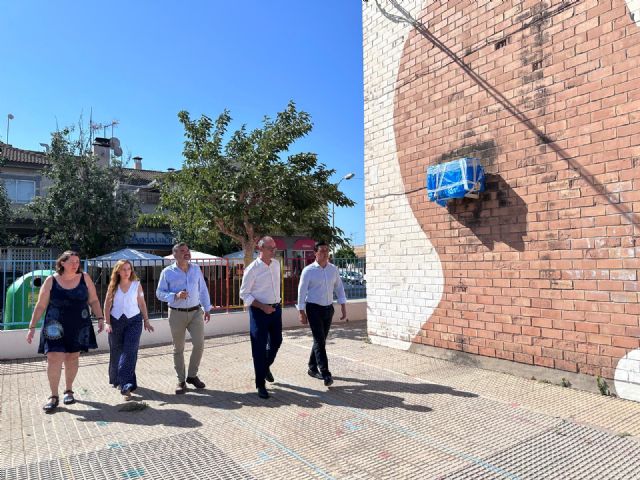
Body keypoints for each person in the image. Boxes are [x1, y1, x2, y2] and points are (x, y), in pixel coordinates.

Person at [25, 251, 105, 412]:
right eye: (72, 262)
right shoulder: (51, 281)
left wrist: (101, 317)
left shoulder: (85, 278)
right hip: (54, 326)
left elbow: (94, 300)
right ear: (62, 263)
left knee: (72, 357)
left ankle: (69, 390)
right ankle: (53, 396)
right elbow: (41, 305)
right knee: (54, 357)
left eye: (77, 262)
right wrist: (31, 327)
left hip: (78, 325)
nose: (76, 264)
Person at [156, 243, 212, 394]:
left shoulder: (196, 269)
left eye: (187, 250)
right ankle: (181, 381)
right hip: (176, 313)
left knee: (199, 344)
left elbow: (203, 289)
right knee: (178, 348)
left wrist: (207, 308)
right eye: (182, 251)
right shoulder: (167, 272)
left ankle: (192, 376)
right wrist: (175, 296)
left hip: (195, 312)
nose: (187, 253)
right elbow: (159, 293)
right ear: (175, 255)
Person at [297, 241, 347, 387]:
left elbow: (339, 288)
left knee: (321, 341)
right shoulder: (308, 270)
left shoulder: (333, 269)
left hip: (328, 309)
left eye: (327, 250)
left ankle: (312, 367)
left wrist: (343, 306)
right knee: (319, 341)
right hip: (313, 309)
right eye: (322, 250)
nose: (325, 253)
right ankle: (325, 373)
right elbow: (301, 292)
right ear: (315, 253)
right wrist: (301, 312)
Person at [239, 236, 283, 399]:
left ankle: (265, 368)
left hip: (276, 310)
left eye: (274, 248)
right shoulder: (252, 269)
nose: (274, 251)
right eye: (271, 248)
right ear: (260, 249)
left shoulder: (276, 264)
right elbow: (244, 293)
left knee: (277, 341)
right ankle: (260, 384)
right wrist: (263, 307)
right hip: (259, 312)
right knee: (259, 348)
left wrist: (274, 305)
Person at [103, 260, 154, 399]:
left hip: (134, 321)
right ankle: (118, 379)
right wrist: (107, 323)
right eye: (123, 269)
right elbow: (107, 306)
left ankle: (126, 385)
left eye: (129, 269)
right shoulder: (113, 286)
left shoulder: (136, 285)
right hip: (116, 321)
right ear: (118, 271)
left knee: (129, 351)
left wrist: (146, 321)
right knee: (116, 352)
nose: (126, 272)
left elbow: (142, 304)